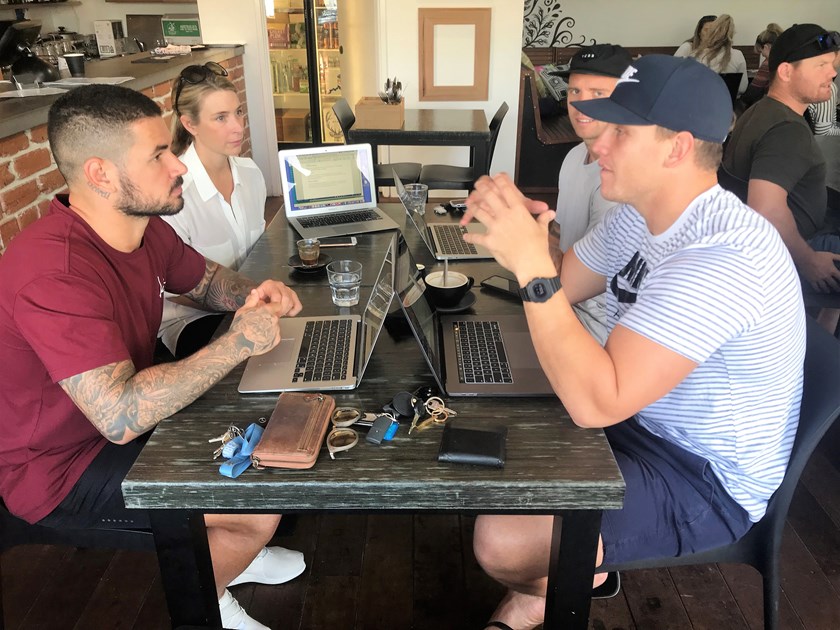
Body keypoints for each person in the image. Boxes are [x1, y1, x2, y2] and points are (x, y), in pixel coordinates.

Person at [460, 55, 805, 630]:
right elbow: (564, 281)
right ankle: (559, 581)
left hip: (702, 473)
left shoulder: (724, 258)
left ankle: (561, 582)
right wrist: (526, 233)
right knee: (494, 436)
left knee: (501, 540)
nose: (597, 142)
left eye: (621, 131)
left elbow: (597, 399)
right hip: (641, 417)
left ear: (677, 148)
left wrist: (528, 264)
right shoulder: (641, 213)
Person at [0, 85, 306, 630]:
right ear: (100, 174)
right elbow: (119, 417)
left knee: (267, 425)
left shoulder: (142, 228)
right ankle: (211, 593)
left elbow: (206, 280)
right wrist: (237, 342)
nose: (178, 166)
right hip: (57, 468)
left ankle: (234, 553)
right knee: (259, 500)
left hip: (125, 417)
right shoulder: (54, 272)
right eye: (158, 155)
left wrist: (255, 296)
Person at [723, 24, 840, 330]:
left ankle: (819, 333)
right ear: (786, 72)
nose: (832, 74)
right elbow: (766, 207)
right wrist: (809, 262)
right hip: (784, 257)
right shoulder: (787, 130)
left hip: (756, 250)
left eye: (833, 65)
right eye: (821, 66)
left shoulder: (760, 110)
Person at [157, 62, 267, 359]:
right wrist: (249, 301)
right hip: (194, 320)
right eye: (220, 118)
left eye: (238, 112)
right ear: (190, 124)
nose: (237, 127)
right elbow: (176, 290)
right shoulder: (174, 195)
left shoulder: (251, 173)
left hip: (247, 305)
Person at [547, 44, 632, 344]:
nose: (581, 104)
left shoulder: (620, 180)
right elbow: (557, 232)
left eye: (598, 93)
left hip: (595, 332)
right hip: (561, 304)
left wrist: (525, 242)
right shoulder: (573, 156)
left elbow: (576, 280)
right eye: (574, 92)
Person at [682, 14, 748, 96]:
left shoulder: (695, 55)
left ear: (711, 33)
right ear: (732, 34)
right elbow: (742, 88)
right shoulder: (738, 55)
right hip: (728, 104)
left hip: (700, 103)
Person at [739, 23, 784, 110]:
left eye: (761, 52)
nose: (763, 56)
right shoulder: (787, 59)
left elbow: (753, 92)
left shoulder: (768, 63)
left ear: (766, 47)